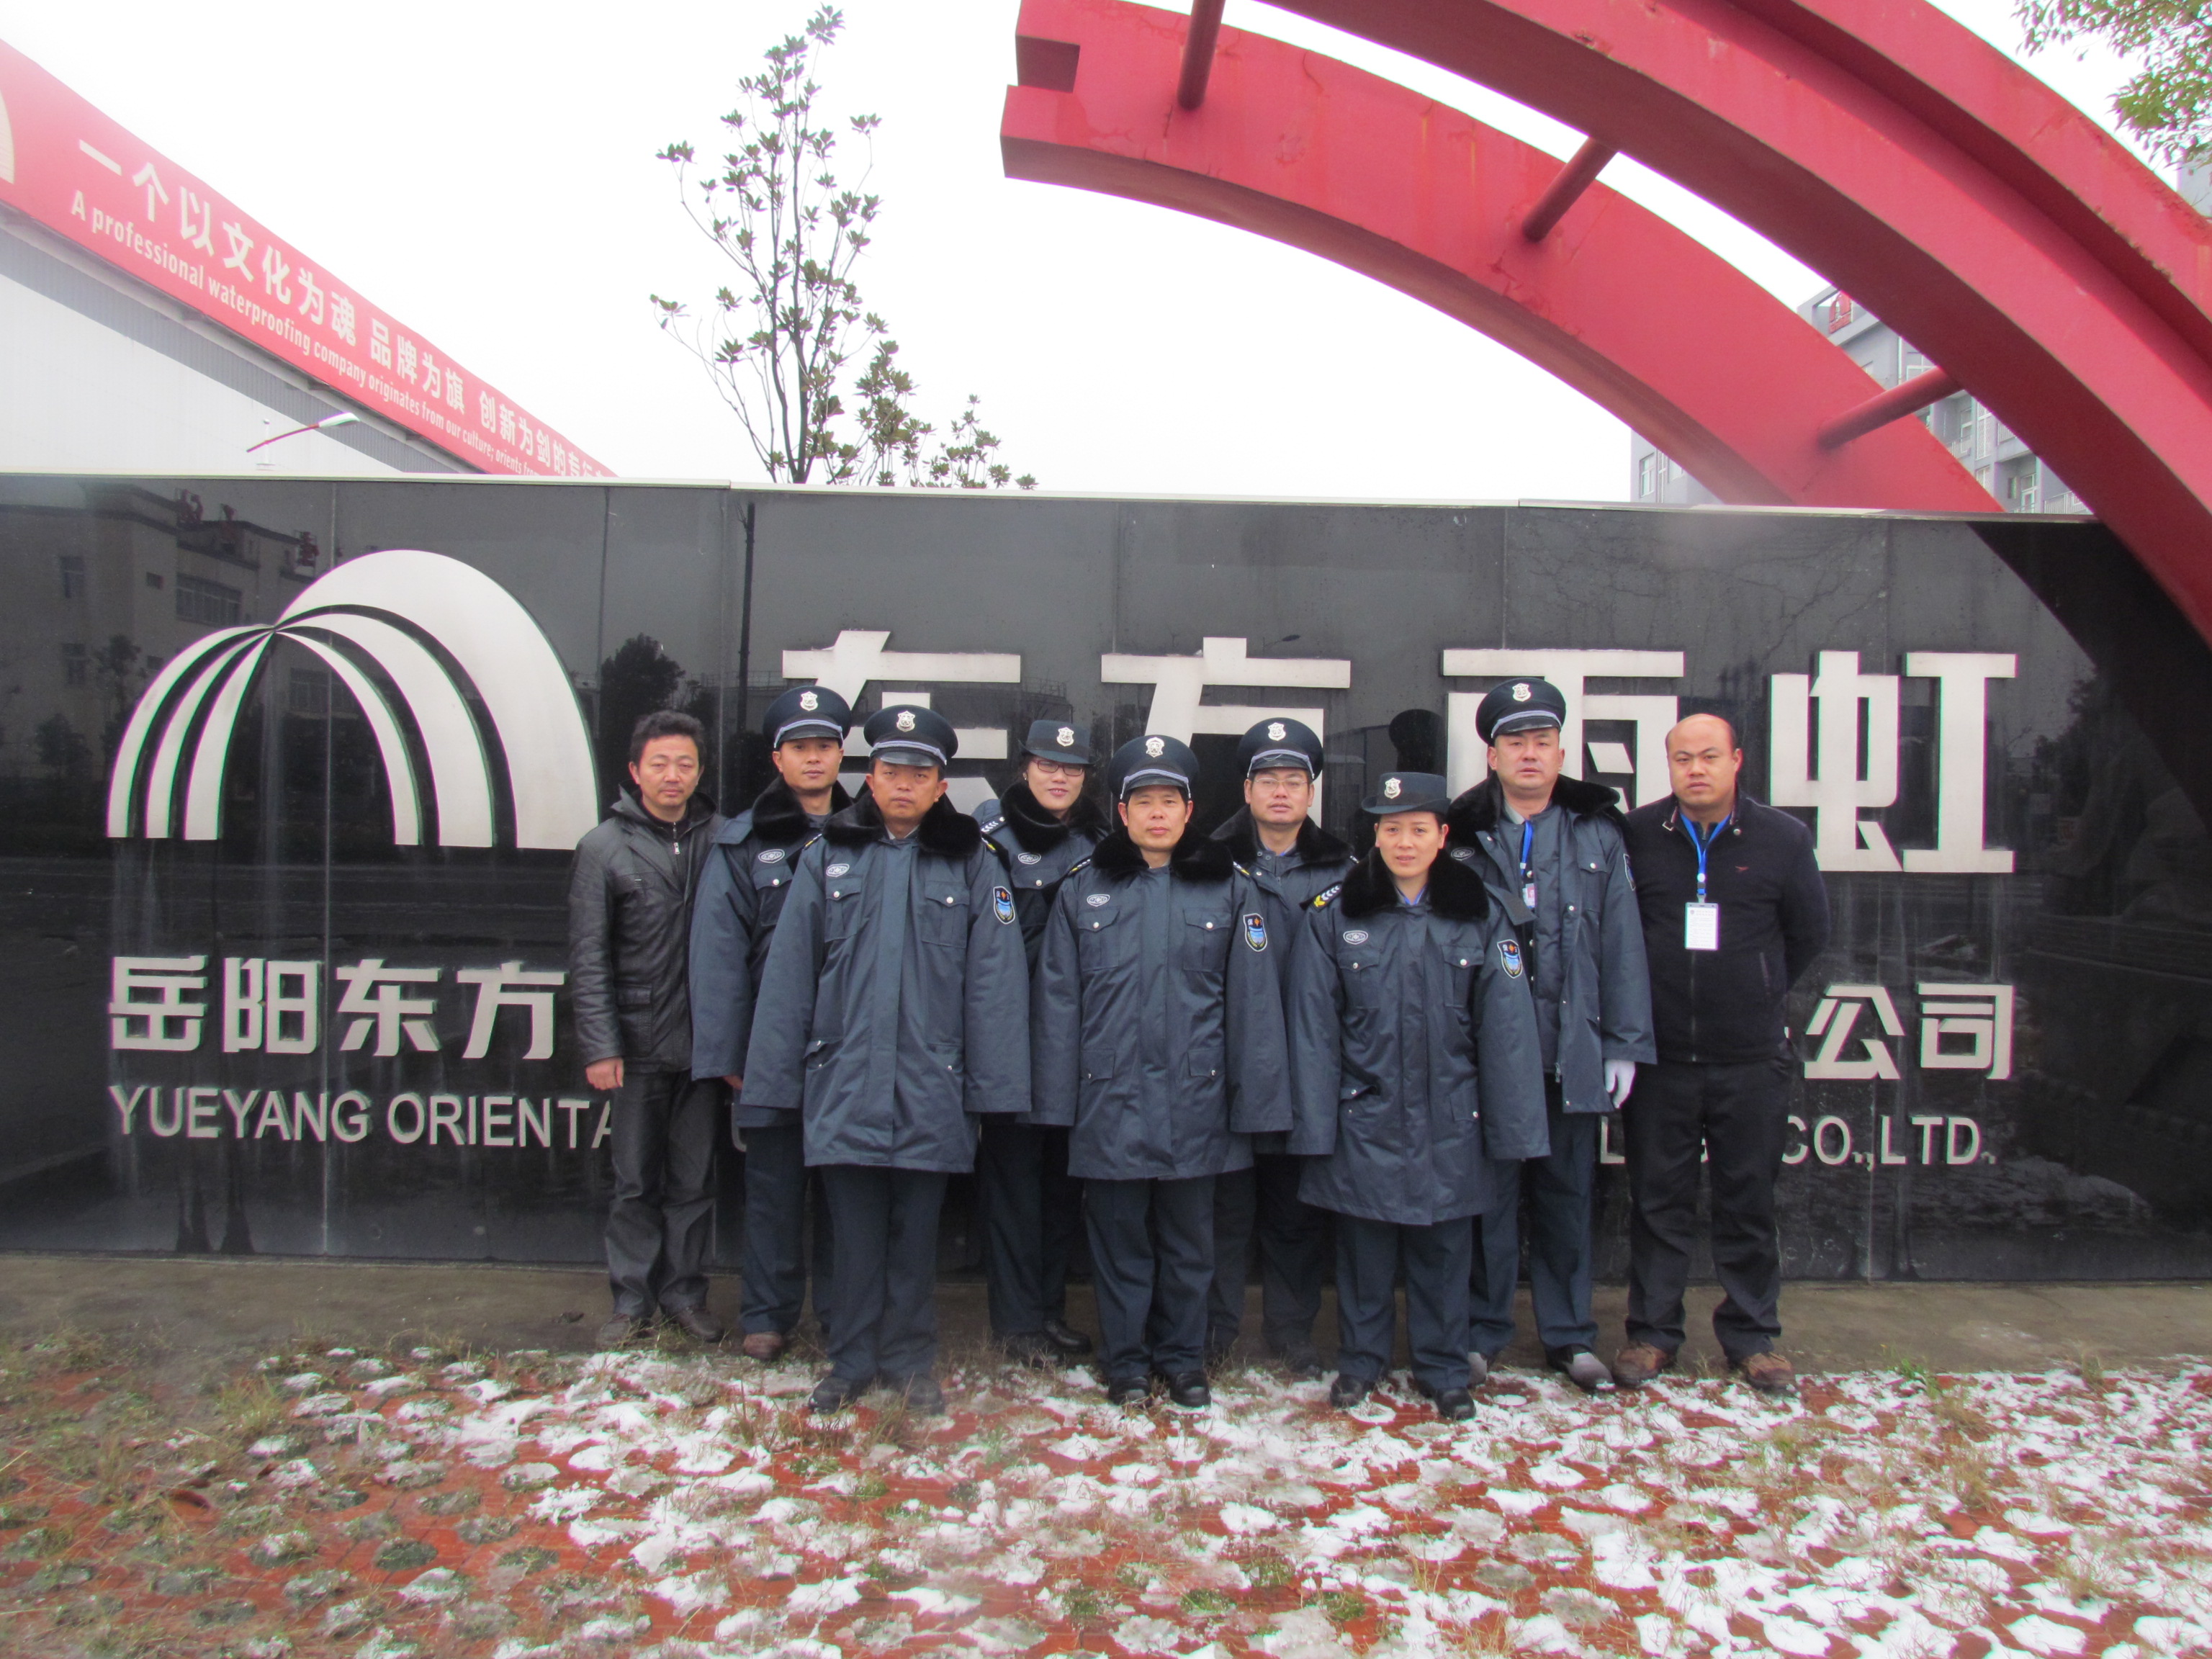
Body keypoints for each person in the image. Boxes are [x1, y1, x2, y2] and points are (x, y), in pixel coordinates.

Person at [740, 705, 1030, 1415]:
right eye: (892, 771)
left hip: (932, 1085)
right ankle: (850, 1361)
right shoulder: (828, 857)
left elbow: (994, 987)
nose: (904, 784)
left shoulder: (974, 863)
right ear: (869, 778)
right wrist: (774, 1084)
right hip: (844, 1081)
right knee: (853, 1234)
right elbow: (790, 976)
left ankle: (908, 1360)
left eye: (920, 774)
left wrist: (994, 1094)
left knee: (915, 1236)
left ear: (941, 787)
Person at [1032, 734, 1288, 1410]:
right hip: (1108, 1101)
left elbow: (1253, 1008)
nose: (1156, 814)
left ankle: (1182, 1359)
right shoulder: (1083, 890)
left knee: (1190, 1245)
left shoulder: (1229, 889)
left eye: (1168, 802)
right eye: (1142, 802)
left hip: (1198, 1102)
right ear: (1121, 812)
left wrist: (1256, 1106)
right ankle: (1125, 1362)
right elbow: (1058, 1004)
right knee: (1119, 1243)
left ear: (1189, 810)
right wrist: (1056, 1107)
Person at [1288, 773, 1547, 1420]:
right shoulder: (1336, 914)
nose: (1405, 842)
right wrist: (1315, 1128)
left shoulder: (1481, 912)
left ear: (1442, 836)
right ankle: (1361, 1363)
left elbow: (1507, 1031)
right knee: (1364, 1253)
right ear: (1375, 836)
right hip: (1364, 1114)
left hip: (1452, 1117)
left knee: (1445, 1251)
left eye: (1418, 829)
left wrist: (1512, 1130)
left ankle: (1443, 1368)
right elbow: (1313, 1031)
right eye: (1392, 829)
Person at [1445, 678, 1654, 1393]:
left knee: (1568, 1194)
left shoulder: (1598, 834)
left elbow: (1622, 944)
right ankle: (1482, 1331)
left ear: (1563, 752)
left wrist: (1624, 1043)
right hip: (1490, 1055)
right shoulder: (1460, 838)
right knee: (1490, 1199)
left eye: (1542, 741)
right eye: (1515, 742)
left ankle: (1570, 1336)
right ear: (1492, 755)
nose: (1529, 754)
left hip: (1572, 1049)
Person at [1615, 713, 1830, 1395]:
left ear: (1737, 760)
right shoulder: (1638, 835)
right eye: (1683, 758)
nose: (1696, 769)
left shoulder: (1782, 839)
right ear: (1668, 765)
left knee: (1748, 1199)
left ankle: (1753, 1336)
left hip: (1750, 1057)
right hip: (1661, 1056)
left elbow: (1809, 932)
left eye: (1709, 756)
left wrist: (1756, 991)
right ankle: (1653, 1333)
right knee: (1658, 1200)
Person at [689, 684, 853, 1362]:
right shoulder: (742, 842)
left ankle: (845, 1314)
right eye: (800, 748)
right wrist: (730, 1053)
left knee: (848, 1190)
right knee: (773, 1189)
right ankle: (766, 1314)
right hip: (770, 1043)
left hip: (850, 1042)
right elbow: (718, 955)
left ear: (841, 756)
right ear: (777, 759)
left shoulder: (871, 832)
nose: (813, 759)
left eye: (825, 747)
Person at [567, 709, 727, 1349]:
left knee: (694, 1181)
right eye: (659, 764)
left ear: (700, 772)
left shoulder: (724, 839)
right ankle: (631, 1300)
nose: (672, 775)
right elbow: (588, 956)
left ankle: (685, 1295)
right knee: (635, 1181)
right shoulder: (602, 847)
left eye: (685, 764)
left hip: (704, 1044)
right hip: (635, 1045)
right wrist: (601, 1046)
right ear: (635, 771)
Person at [1207, 716, 1354, 1375]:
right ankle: (1215, 1332)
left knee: (1295, 1215)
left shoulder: (1346, 871)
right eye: (1268, 780)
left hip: (1307, 1070)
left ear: (1311, 793)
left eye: (1294, 780)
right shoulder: (1207, 862)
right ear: (1246, 790)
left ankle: (1291, 1333)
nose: (1280, 792)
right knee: (1224, 1211)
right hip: (1226, 1068)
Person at [974, 719, 1110, 1366]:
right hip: (1013, 1045)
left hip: (1080, 1046)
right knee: (1014, 1190)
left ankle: (1048, 1311)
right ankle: (1017, 1322)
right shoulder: (988, 842)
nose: (1060, 777)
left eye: (1072, 767)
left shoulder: (1101, 845)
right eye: (1048, 764)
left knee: (1061, 1190)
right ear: (1024, 766)